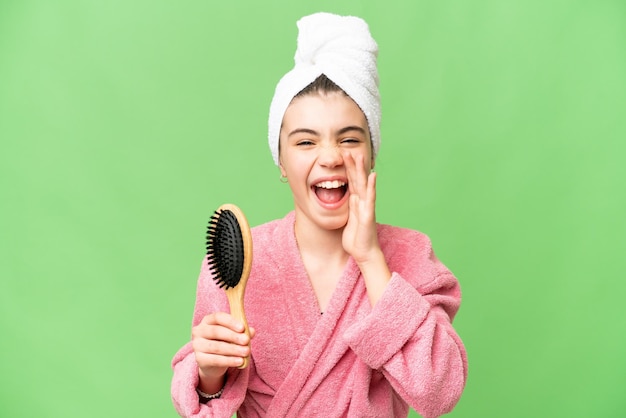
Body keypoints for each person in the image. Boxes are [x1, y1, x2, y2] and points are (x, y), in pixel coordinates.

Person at [171, 12, 467, 418]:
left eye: (348, 138)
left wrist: (370, 259)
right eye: (305, 141)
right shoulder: (236, 263)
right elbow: (205, 405)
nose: (330, 157)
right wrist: (208, 375)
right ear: (281, 160)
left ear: (371, 153)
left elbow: (438, 392)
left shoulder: (410, 256)